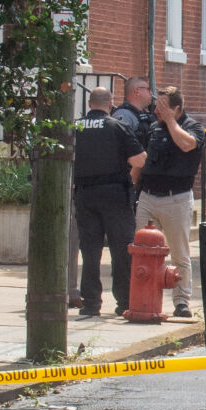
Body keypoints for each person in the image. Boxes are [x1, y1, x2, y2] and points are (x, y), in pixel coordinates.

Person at [72, 87, 145, 316]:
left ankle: (91, 303)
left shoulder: (76, 127)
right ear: (110, 102)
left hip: (85, 194)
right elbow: (140, 159)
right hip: (114, 195)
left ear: (89, 102)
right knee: (121, 250)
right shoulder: (117, 126)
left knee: (90, 251)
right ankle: (123, 303)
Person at [133, 85, 204, 319]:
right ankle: (143, 299)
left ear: (177, 108)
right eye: (157, 105)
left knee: (179, 253)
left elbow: (187, 145)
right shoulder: (153, 128)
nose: (157, 110)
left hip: (176, 198)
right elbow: (142, 161)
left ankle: (182, 301)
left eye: (163, 106)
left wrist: (171, 122)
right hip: (148, 196)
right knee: (143, 250)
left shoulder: (193, 127)